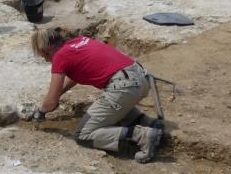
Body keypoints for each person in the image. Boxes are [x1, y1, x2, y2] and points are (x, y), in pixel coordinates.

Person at [30, 28, 163, 164]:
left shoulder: (60, 56)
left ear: (48, 48)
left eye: (45, 56)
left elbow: (50, 103)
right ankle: (148, 123)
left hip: (126, 86)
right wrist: (59, 93)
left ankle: (142, 136)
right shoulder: (79, 41)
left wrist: (41, 111)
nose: (47, 60)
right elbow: (76, 76)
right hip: (142, 79)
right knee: (112, 104)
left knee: (83, 134)